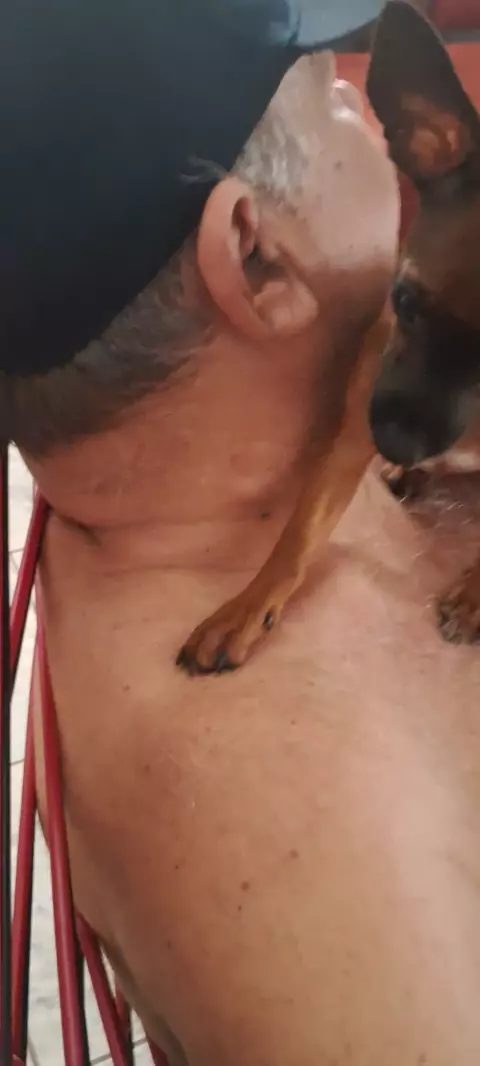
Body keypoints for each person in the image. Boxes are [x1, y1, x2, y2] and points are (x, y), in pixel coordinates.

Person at [3, 1, 480, 1063]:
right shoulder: (350, 903)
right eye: (329, 99)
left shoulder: (126, 506)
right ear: (254, 254)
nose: (359, 98)